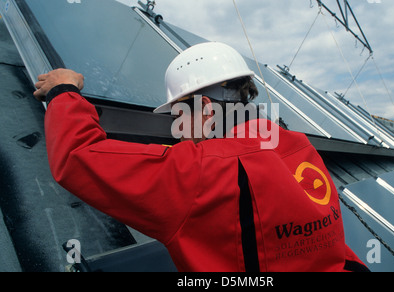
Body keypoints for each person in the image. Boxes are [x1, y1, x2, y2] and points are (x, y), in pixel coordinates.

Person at [33, 42, 368, 272]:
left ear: (205, 109)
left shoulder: (200, 171)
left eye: (178, 115)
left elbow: (77, 156)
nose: (177, 129)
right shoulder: (298, 146)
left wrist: (64, 91)